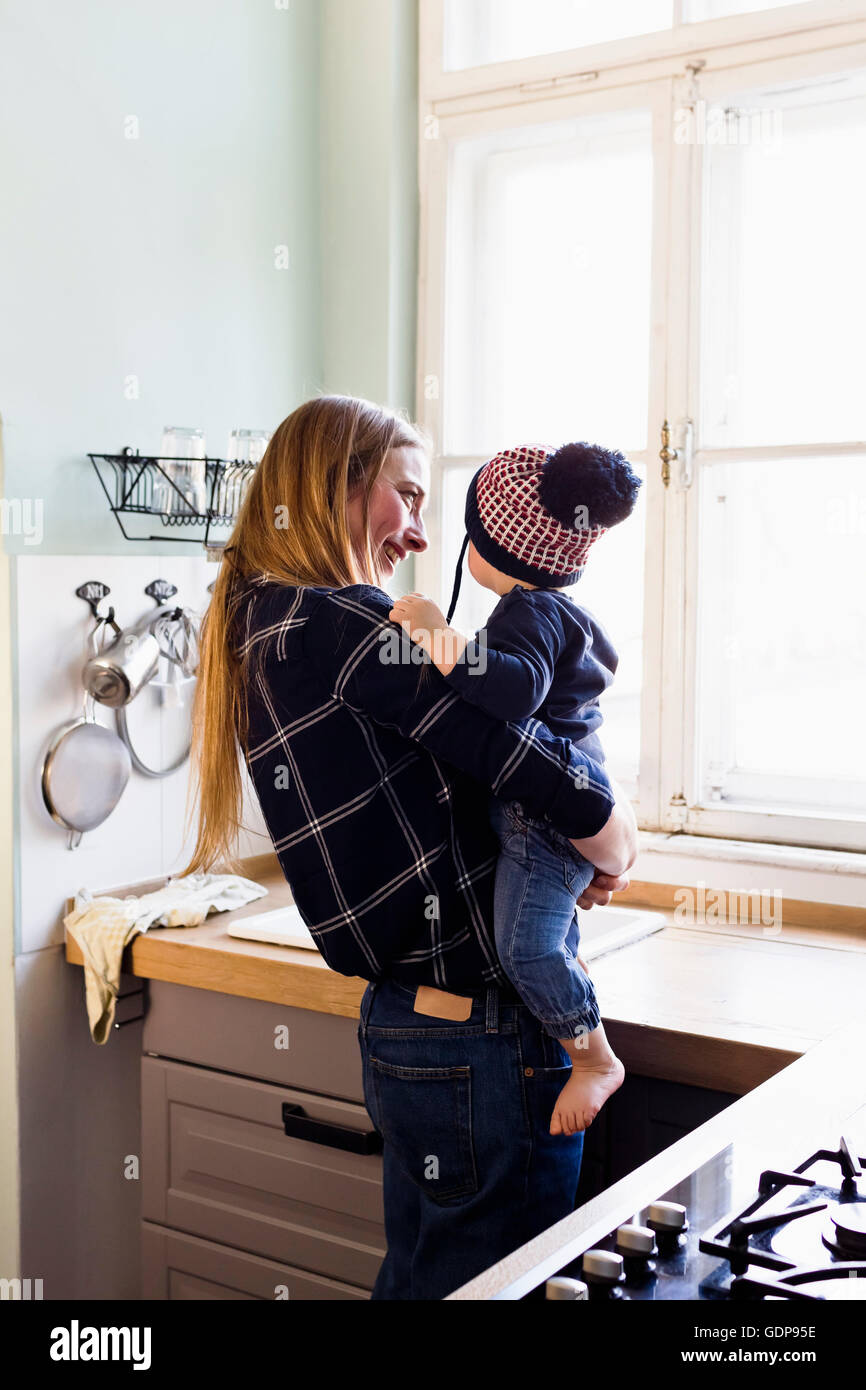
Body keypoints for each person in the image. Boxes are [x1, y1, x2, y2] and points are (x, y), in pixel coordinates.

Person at [180, 396, 638, 1301]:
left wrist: (547, 858)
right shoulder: (339, 621)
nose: (421, 535)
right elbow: (517, 753)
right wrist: (613, 837)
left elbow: (451, 776)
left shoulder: (262, 619)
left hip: (411, 1025)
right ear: (341, 484)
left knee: (430, 1282)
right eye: (409, 495)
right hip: (478, 1036)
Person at [388, 441, 642, 1139]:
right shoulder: (558, 613)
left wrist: (437, 635)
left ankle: (593, 1060)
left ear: (499, 545)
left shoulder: (529, 614)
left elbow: (511, 690)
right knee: (550, 939)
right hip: (561, 820)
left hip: (543, 824)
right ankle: (579, 1018)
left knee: (527, 951)